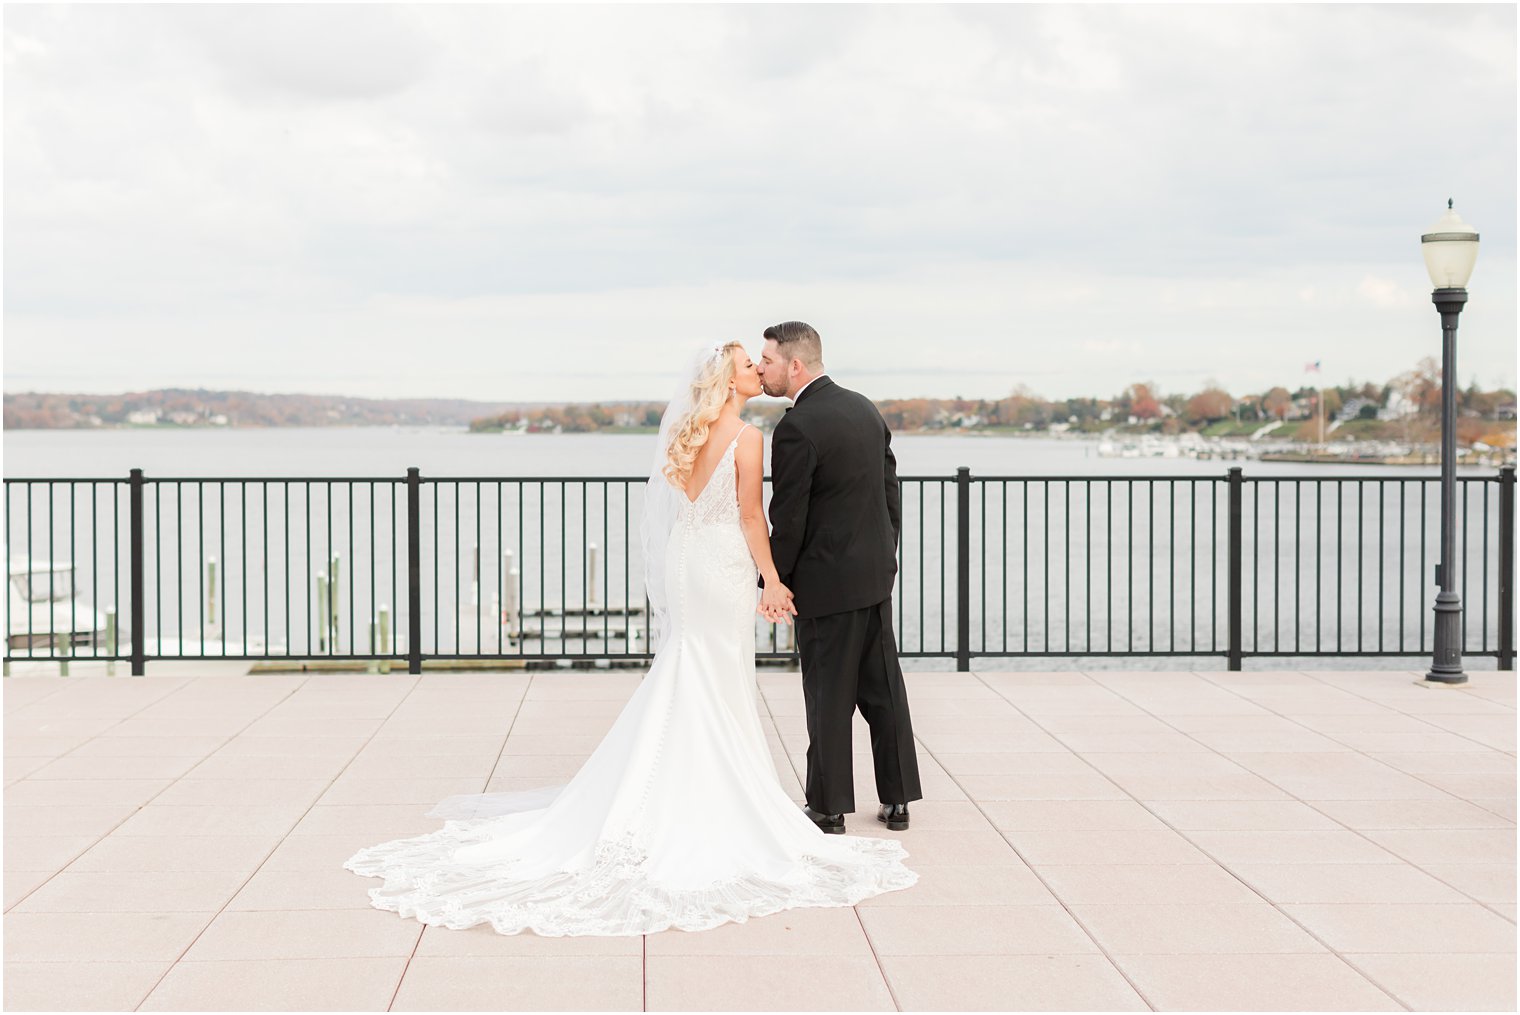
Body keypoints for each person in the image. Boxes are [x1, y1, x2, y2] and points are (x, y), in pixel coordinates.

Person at [344, 341, 915, 937]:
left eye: (761, 362)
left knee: (686, 663)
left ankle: (668, 781)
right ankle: (720, 791)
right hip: (722, 565)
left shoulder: (684, 435)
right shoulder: (749, 438)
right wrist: (772, 579)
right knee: (719, 673)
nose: (758, 370)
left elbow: (686, 506)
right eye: (749, 365)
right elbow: (750, 518)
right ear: (729, 380)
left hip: (686, 559)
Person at [757, 321, 923, 835]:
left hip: (826, 587)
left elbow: (789, 518)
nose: (762, 369)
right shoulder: (864, 409)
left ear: (795, 365)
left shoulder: (796, 427)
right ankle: (897, 804)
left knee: (828, 698)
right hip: (874, 577)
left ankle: (828, 809)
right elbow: (889, 493)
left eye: (768, 360)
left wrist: (775, 582)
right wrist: (884, 554)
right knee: (883, 693)